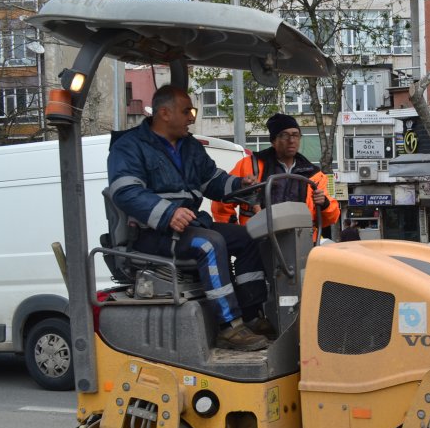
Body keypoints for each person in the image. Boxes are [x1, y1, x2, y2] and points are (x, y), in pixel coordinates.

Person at [107, 85, 271, 351]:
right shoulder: (129, 147)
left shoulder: (189, 147)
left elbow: (213, 181)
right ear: (164, 113)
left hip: (188, 227)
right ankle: (230, 328)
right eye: (187, 111)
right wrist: (168, 213)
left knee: (246, 237)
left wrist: (242, 185)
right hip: (152, 235)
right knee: (209, 244)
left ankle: (252, 315)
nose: (192, 117)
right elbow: (125, 192)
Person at [212, 113, 340, 237]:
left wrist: (325, 204)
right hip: (258, 243)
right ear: (273, 141)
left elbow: (331, 218)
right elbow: (222, 203)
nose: (291, 140)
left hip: (302, 244)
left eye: (295, 135)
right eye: (284, 135)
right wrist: (239, 233)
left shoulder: (314, 175)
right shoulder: (250, 166)